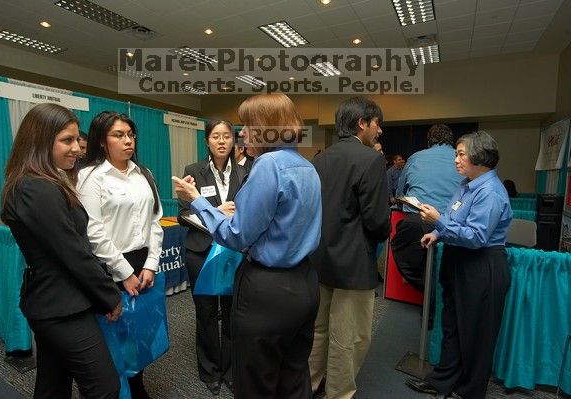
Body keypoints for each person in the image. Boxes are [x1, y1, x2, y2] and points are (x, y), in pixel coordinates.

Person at [173, 93, 321, 399]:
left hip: (267, 291)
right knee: (293, 378)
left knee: (255, 383)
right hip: (305, 285)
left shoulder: (268, 165)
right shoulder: (307, 166)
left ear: (267, 128)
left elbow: (236, 235)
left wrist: (197, 200)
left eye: (248, 126)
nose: (242, 134)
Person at [0, 103, 122, 399]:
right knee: (105, 387)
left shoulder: (39, 182)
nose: (77, 149)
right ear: (41, 141)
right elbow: (74, 253)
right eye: (66, 141)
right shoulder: (35, 188)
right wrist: (110, 295)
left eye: (76, 141)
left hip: (55, 302)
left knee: (53, 387)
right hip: (60, 307)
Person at [406, 131, 512, 399]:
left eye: (461, 154)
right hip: (460, 259)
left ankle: (469, 391)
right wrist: (438, 233)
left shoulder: (490, 192)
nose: (456, 159)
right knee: (453, 326)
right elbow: (457, 220)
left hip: (481, 264)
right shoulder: (467, 185)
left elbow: (476, 236)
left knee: (477, 335)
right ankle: (443, 381)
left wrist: (438, 221)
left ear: (479, 156)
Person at [77, 111, 164, 399]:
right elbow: (94, 231)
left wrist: (151, 264)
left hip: (143, 264)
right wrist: (124, 273)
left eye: (130, 134)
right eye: (119, 135)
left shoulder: (144, 174)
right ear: (102, 141)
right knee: (112, 340)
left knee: (138, 335)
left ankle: (138, 388)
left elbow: (155, 221)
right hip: (109, 268)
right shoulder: (91, 177)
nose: (128, 141)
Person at [308, 97, 391, 399]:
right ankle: (339, 393)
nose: (379, 131)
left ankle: (311, 382)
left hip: (319, 261)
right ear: (362, 123)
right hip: (353, 266)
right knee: (349, 337)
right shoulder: (371, 160)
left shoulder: (320, 159)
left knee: (318, 330)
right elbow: (378, 221)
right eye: (376, 124)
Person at [178, 120, 247, 395]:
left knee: (232, 313)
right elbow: (184, 215)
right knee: (206, 313)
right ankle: (209, 371)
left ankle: (230, 370)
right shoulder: (193, 171)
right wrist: (215, 211)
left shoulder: (246, 172)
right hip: (201, 252)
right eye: (215, 136)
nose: (221, 141)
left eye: (226, 136)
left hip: (233, 253)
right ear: (207, 141)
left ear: (234, 141)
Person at [392, 124, 461, 291]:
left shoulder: (416, 157)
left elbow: (400, 193)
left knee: (403, 249)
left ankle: (425, 289)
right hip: (452, 224)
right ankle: (437, 292)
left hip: (416, 223)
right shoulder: (461, 159)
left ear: (429, 141)